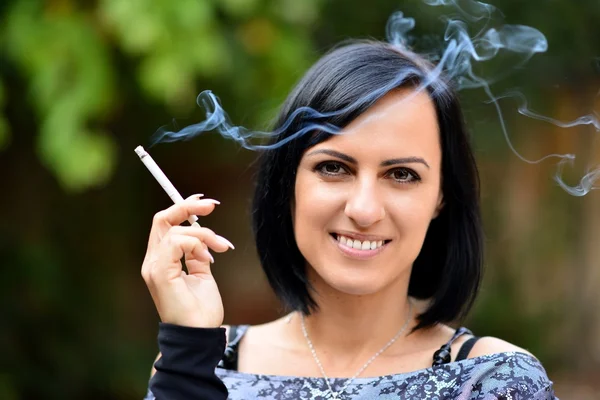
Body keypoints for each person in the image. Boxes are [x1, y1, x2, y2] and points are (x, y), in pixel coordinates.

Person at [141, 41, 557, 399]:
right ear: (289, 184)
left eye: (401, 175)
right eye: (334, 168)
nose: (363, 209)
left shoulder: (495, 381)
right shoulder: (204, 360)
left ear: (441, 197)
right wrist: (189, 341)